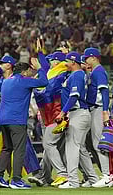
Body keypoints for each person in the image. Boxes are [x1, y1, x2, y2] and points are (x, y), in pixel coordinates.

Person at [0, 58, 47, 189]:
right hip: (16, 120)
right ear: (24, 72)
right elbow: (44, 82)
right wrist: (40, 67)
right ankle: (16, 179)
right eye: (29, 71)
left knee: (6, 148)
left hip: (3, 120)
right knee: (19, 150)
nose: (30, 73)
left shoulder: (6, 81)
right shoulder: (24, 81)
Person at [55, 51, 98, 189]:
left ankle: (73, 181)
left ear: (73, 62)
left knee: (72, 147)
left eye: (67, 61)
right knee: (80, 149)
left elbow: (74, 97)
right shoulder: (77, 74)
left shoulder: (77, 75)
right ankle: (93, 178)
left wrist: (63, 112)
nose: (64, 64)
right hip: (79, 114)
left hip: (78, 113)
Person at [29, 48, 69, 187]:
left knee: (49, 144)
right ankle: (44, 177)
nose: (49, 63)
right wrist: (40, 53)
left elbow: (48, 89)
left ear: (56, 61)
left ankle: (63, 174)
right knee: (49, 146)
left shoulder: (61, 73)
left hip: (57, 115)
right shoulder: (55, 72)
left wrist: (35, 87)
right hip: (50, 115)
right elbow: (46, 72)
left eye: (51, 60)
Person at [84, 47, 111, 188]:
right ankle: (104, 174)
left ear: (93, 58)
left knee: (98, 144)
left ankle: (107, 175)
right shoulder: (94, 71)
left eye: (87, 58)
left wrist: (105, 110)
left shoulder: (99, 71)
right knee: (93, 144)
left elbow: (105, 91)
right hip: (94, 109)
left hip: (98, 109)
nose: (85, 60)